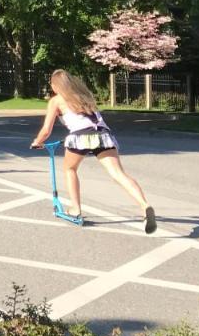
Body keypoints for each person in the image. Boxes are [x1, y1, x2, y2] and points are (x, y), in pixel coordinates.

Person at [31, 69, 157, 233]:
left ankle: (75, 209)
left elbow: (46, 130)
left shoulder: (56, 100)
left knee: (70, 169)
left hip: (80, 136)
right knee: (118, 174)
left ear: (56, 86)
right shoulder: (85, 94)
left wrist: (37, 142)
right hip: (103, 134)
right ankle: (145, 206)